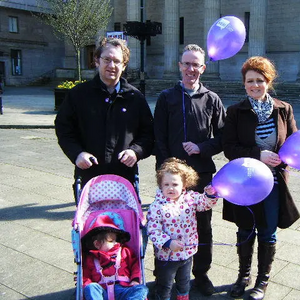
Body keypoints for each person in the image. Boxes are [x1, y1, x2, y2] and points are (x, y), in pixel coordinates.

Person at [222, 56, 300, 300]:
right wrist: (258, 154)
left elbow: (294, 145)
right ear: (244, 83)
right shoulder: (236, 111)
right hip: (244, 183)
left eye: (260, 80)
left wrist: (284, 159)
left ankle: (261, 282)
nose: (254, 85)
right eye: (249, 81)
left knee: (267, 232)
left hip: (274, 185)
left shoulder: (283, 109)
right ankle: (242, 276)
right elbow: (229, 148)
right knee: (245, 229)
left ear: (269, 81)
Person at [153, 44, 226, 296]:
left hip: (201, 174)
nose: (191, 69)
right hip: (171, 179)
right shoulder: (166, 97)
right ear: (179, 66)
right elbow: (158, 136)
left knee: (203, 226)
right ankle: (162, 274)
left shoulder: (212, 99)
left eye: (196, 65)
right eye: (187, 64)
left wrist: (202, 147)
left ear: (203, 68)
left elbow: (223, 137)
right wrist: (165, 171)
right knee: (165, 224)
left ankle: (201, 274)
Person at [55, 37, 154, 202]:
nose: (111, 65)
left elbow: (148, 133)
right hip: (89, 177)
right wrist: (77, 154)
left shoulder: (135, 98)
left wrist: (135, 151)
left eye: (117, 61)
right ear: (96, 61)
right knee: (92, 227)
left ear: (124, 65)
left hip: (124, 179)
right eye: (107, 59)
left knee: (124, 227)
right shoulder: (78, 95)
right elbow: (64, 129)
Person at [146, 157, 220, 300]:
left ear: (184, 185)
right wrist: (167, 242)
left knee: (184, 281)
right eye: (166, 184)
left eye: (175, 184)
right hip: (166, 256)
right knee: (165, 284)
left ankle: (183, 296)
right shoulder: (157, 206)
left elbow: (204, 204)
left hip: (187, 252)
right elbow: (153, 230)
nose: (170, 188)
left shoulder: (190, 199)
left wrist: (209, 195)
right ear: (160, 185)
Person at [81, 213, 148, 300]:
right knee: (91, 288)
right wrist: (87, 284)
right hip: (102, 291)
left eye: (116, 240)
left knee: (141, 289)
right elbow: (85, 275)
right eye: (111, 241)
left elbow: (135, 266)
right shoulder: (91, 258)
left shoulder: (124, 251)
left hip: (123, 289)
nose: (116, 243)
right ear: (97, 244)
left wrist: (135, 280)